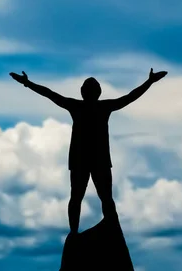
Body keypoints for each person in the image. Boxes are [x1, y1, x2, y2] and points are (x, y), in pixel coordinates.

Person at [9, 68, 167, 234]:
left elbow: (49, 93)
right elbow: (129, 97)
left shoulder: (79, 106)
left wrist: (27, 83)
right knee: (97, 198)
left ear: (84, 92)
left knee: (84, 197)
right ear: (97, 93)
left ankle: (78, 231)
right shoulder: (101, 107)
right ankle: (88, 230)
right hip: (93, 160)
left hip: (86, 160)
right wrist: (149, 82)